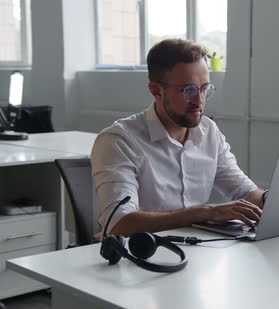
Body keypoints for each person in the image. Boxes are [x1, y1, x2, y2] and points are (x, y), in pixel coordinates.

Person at [91, 39, 266, 237]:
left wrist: (270, 200)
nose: (199, 101)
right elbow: (119, 224)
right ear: (156, 91)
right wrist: (205, 213)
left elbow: (243, 191)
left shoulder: (209, 131)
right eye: (188, 91)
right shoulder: (119, 141)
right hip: (137, 258)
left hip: (198, 253)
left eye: (204, 89)